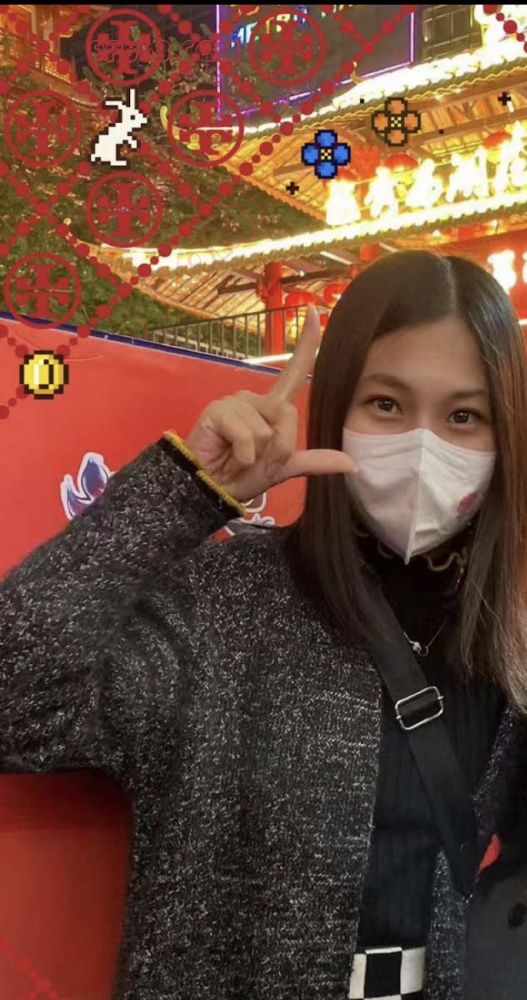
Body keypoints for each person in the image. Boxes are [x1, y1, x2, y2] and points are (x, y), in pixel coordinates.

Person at [1, 249, 526, 1000]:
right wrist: (183, 494)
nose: (422, 444)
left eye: (463, 416)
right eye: (385, 404)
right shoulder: (223, 602)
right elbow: (15, 703)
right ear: (335, 406)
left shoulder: (502, 634)